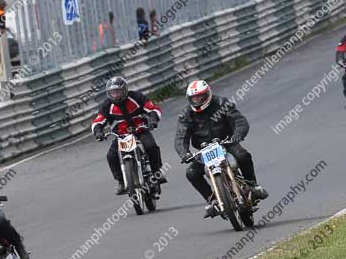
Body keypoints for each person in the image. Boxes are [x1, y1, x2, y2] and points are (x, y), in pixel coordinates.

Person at [175, 80, 268, 218]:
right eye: (194, 98)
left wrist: (237, 135)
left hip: (227, 143)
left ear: (207, 94)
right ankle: (212, 200)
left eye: (200, 97)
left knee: (243, 156)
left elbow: (239, 120)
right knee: (191, 173)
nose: (197, 100)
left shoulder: (221, 103)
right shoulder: (186, 113)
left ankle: (253, 186)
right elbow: (180, 136)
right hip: (204, 150)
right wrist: (184, 153)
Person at [91, 76, 167, 195]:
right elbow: (98, 120)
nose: (116, 95)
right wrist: (98, 132)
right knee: (111, 156)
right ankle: (121, 181)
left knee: (151, 146)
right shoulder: (107, 105)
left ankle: (157, 172)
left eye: (118, 92)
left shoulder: (137, 97)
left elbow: (153, 108)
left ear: (125, 90)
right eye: (113, 92)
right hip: (121, 135)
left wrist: (153, 119)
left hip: (140, 130)